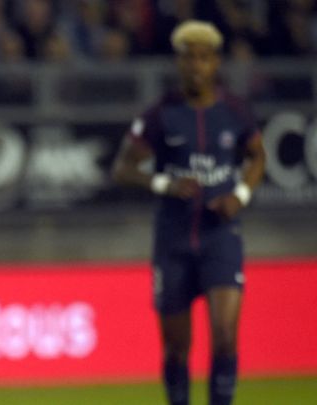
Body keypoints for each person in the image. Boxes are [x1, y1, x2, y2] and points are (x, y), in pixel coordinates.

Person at [111, 20, 265, 405]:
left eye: (202, 58)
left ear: (215, 62)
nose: (195, 66)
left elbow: (257, 156)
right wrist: (164, 184)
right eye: (187, 59)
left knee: (226, 336)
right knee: (177, 348)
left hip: (221, 237)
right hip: (173, 241)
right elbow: (122, 168)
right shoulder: (161, 114)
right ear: (178, 64)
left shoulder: (235, 111)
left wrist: (241, 194)